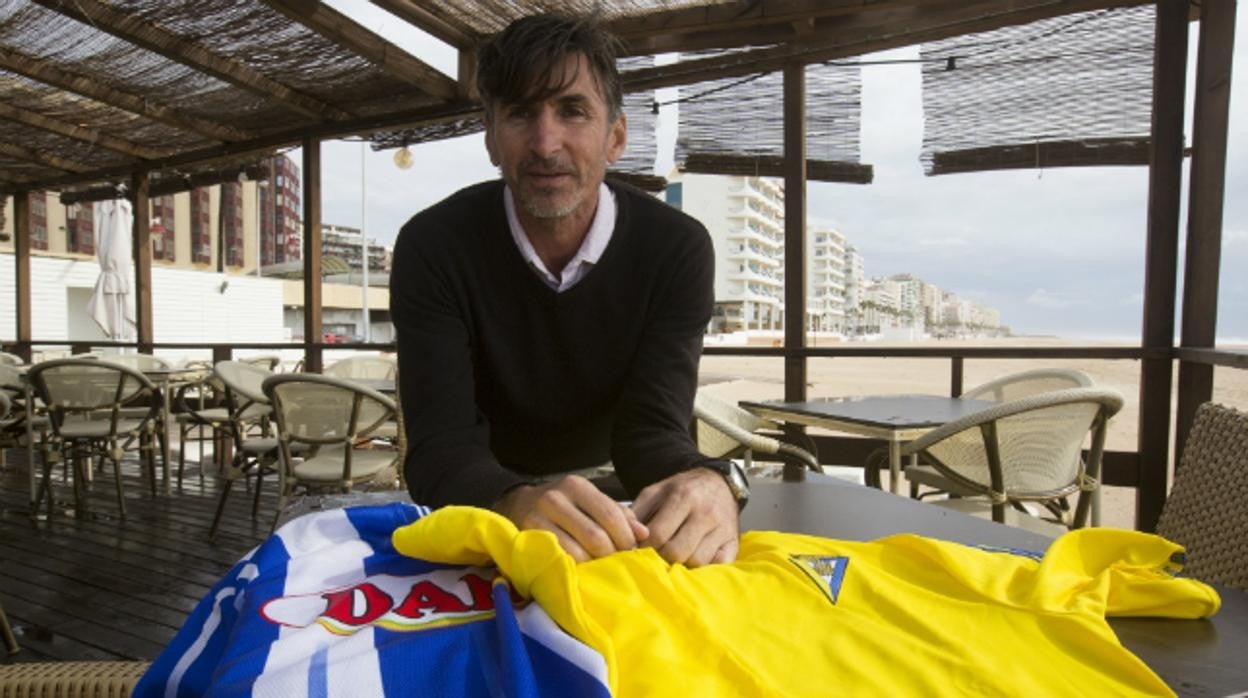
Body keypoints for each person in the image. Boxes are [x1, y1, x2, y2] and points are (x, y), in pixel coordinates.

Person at [390, 13, 747, 568]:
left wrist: (711, 480)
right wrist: (514, 501)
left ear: (616, 137)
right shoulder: (433, 247)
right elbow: (440, 447)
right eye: (520, 113)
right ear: (491, 139)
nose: (545, 142)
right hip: (486, 499)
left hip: (615, 494)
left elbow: (651, 430)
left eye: (572, 111)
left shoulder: (676, 248)